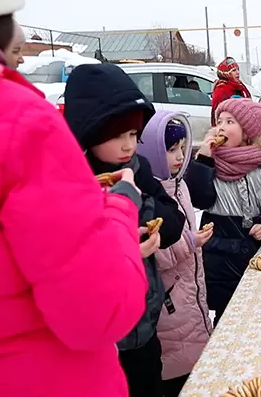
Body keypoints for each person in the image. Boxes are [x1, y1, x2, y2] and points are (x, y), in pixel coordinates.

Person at [0, 0, 147, 397]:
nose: (20, 41)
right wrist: (121, 208)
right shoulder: (18, 123)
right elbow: (100, 311)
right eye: (12, 22)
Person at [63, 63, 187, 397]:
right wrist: (122, 244)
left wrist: (156, 228)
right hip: (98, 335)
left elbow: (173, 219)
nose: (128, 145)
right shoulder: (70, 181)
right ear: (88, 133)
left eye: (133, 134)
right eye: (118, 135)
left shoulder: (137, 168)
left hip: (145, 323)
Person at [184, 99, 261, 325]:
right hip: (221, 257)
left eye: (230, 121)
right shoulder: (211, 165)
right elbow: (198, 198)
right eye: (219, 121)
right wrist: (203, 160)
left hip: (259, 253)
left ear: (248, 133)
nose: (221, 127)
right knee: (228, 318)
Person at [139, 112, 214, 397]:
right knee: (175, 366)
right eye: (171, 150)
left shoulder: (179, 185)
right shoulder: (150, 196)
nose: (180, 156)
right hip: (168, 304)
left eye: (182, 148)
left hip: (191, 292)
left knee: (194, 355)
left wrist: (192, 241)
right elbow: (153, 251)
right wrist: (190, 242)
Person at [211, 57, 251, 125]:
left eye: (238, 69)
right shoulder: (221, 90)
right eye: (234, 70)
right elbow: (218, 115)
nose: (237, 72)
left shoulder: (239, 85)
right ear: (226, 73)